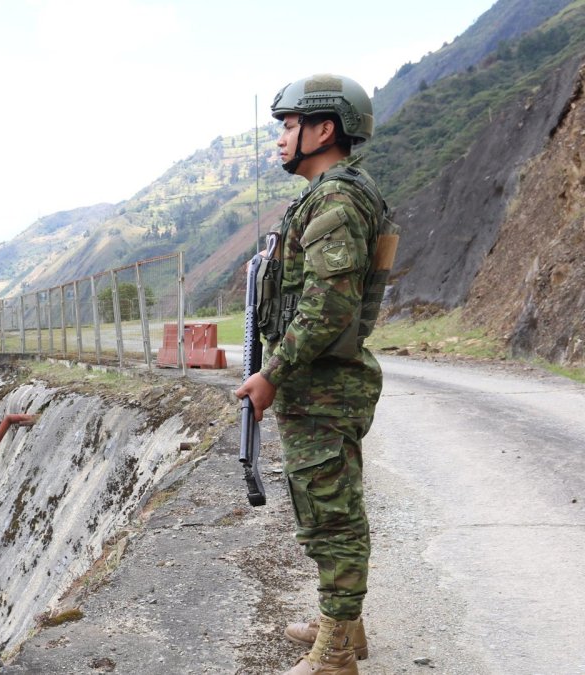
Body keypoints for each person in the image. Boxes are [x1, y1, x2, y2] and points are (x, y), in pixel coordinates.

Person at [235, 73, 397, 675]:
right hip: (321, 381)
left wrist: (272, 373)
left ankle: (333, 657)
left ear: (323, 129)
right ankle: (344, 628)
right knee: (325, 504)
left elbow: (328, 305)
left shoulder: (335, 200)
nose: (280, 137)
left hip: (324, 384)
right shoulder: (330, 194)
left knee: (331, 514)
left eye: (289, 125)